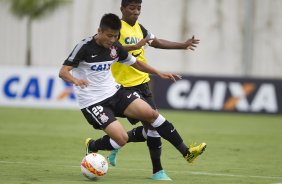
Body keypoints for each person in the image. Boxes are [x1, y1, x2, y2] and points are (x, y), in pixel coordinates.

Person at [59, 13, 206, 179]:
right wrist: (75, 80)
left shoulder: (114, 47)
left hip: (115, 92)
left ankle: (187, 153)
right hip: (93, 101)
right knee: (121, 139)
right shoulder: (84, 47)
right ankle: (93, 145)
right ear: (99, 31)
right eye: (109, 36)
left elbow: (135, 63)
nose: (112, 40)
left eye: (115, 36)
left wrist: (159, 73)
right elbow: (63, 72)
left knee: (152, 114)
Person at [108, 0, 200, 180]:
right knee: (153, 124)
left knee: (152, 127)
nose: (136, 12)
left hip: (143, 82)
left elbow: (156, 42)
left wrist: (182, 45)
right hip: (124, 87)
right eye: (132, 8)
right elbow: (111, 50)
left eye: (139, 8)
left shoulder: (140, 29)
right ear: (122, 9)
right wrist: (133, 47)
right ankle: (162, 167)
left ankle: (113, 144)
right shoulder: (116, 29)